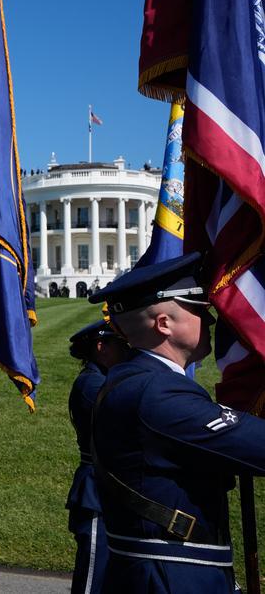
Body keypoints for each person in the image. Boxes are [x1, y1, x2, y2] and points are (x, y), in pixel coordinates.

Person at [89, 253, 265, 593]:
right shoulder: (156, 392)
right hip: (172, 577)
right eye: (197, 309)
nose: (211, 321)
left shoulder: (137, 379)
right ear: (164, 323)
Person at [65, 320, 131, 594]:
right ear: (101, 346)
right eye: (119, 343)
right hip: (96, 488)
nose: (126, 348)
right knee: (94, 577)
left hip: (113, 487)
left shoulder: (106, 380)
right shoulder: (91, 384)